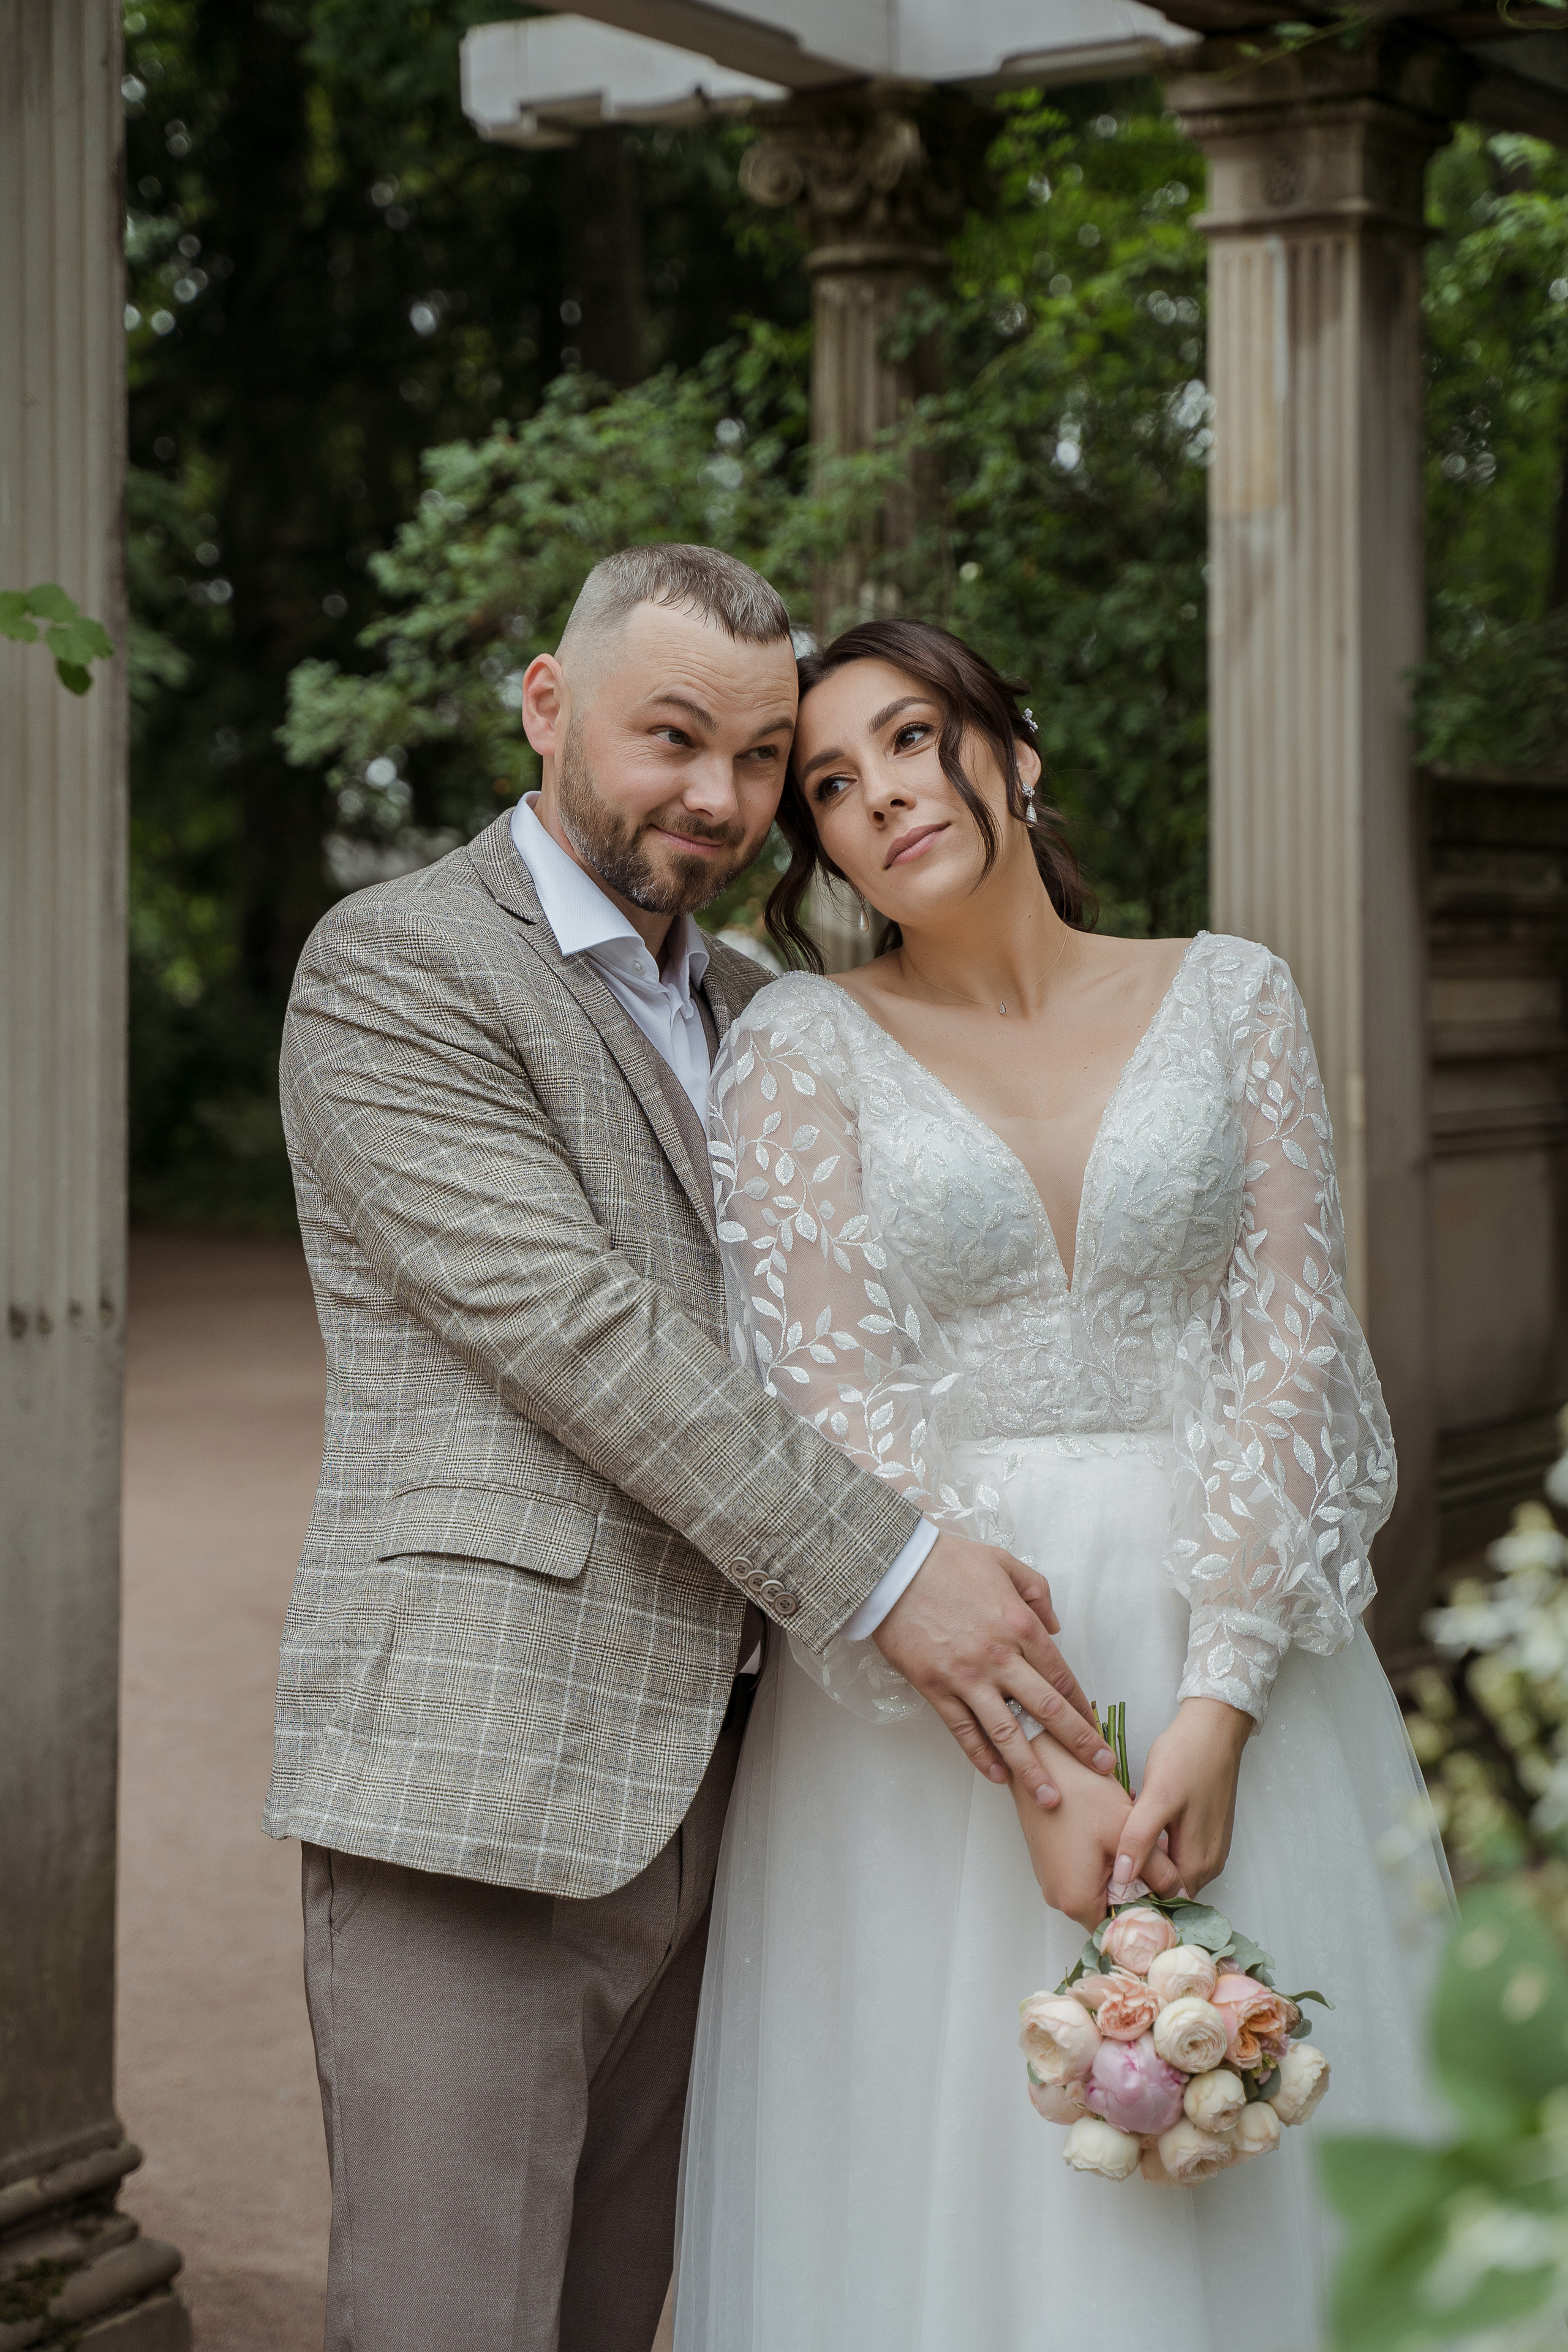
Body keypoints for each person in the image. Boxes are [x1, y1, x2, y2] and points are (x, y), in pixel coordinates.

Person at [262, 550, 1127, 2352]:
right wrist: (896, 1569)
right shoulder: (401, 966)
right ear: (546, 704)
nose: (720, 800)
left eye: (757, 759)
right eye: (671, 739)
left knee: (616, 2317)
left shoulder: (759, 1002)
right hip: (487, 1778)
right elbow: (577, 1332)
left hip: (745, 1790)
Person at [676, 616, 1452, 2348]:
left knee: (1278, 2169)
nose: (882, 794)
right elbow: (831, 1407)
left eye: (912, 738)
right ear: (823, 852)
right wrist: (1038, 1760)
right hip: (931, 1688)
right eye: (830, 786)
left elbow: (1288, 1353)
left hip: (1226, 1629)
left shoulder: (1234, 993)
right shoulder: (798, 1043)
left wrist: (1221, 1701)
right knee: (959, 2182)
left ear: (1013, 753)